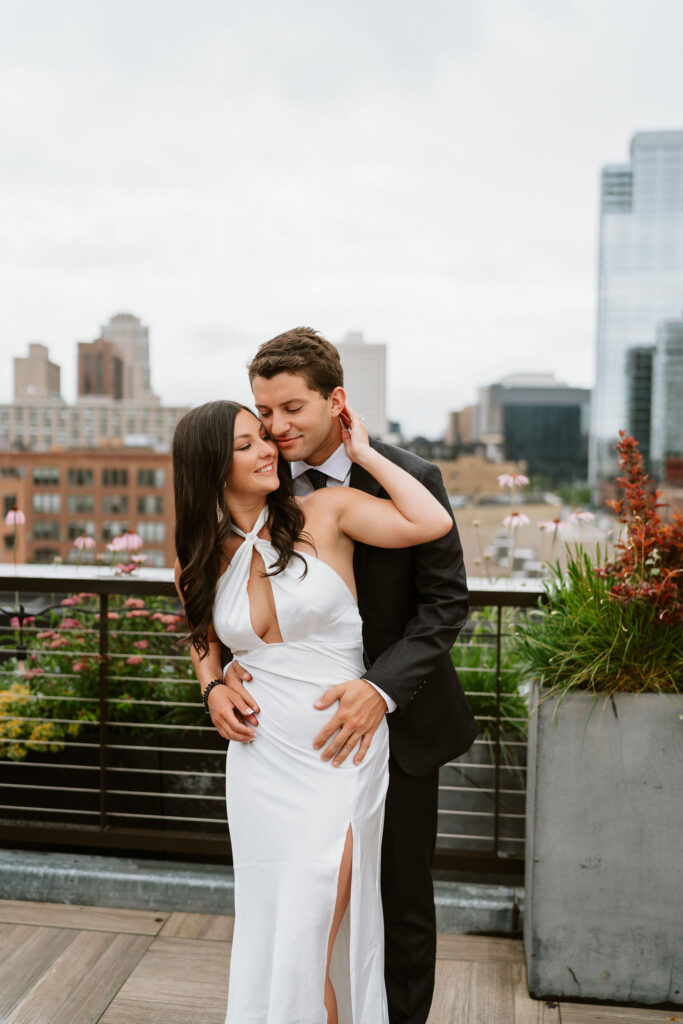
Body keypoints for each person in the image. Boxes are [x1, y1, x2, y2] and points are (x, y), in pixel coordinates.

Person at [220, 327, 478, 1024]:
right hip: (294, 745)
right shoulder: (259, 487)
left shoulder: (409, 478)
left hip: (404, 722)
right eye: (263, 412)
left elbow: (446, 605)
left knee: (397, 901)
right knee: (303, 902)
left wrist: (379, 689)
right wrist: (215, 681)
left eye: (291, 409)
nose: (275, 428)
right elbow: (212, 598)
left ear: (336, 401)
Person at [172, 397, 453, 1024]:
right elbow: (201, 635)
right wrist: (213, 687)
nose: (267, 447)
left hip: (339, 750)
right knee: (283, 938)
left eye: (262, 437)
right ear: (210, 467)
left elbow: (430, 522)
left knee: (314, 928)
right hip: (259, 760)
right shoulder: (197, 555)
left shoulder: (325, 512)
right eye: (245, 444)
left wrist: (364, 454)